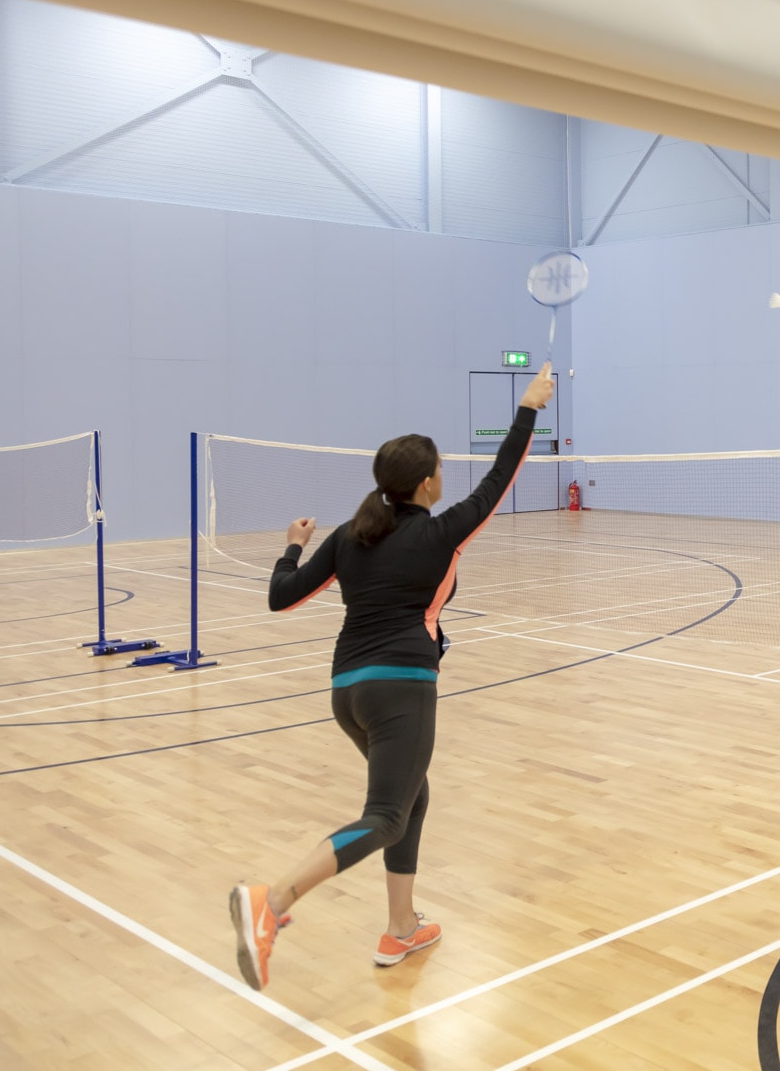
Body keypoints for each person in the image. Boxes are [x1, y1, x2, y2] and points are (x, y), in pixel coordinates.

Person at [228, 362, 555, 991]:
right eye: (441, 471)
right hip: (401, 688)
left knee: (412, 799)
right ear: (428, 483)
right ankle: (273, 901)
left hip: (347, 692)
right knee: (385, 815)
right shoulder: (441, 533)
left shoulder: (351, 536)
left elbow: (281, 597)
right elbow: (501, 476)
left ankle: (402, 927)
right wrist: (529, 406)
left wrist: (293, 546)